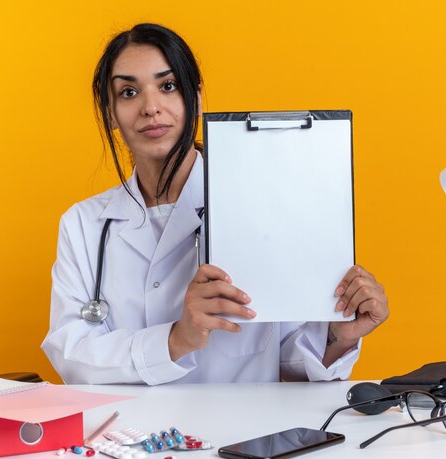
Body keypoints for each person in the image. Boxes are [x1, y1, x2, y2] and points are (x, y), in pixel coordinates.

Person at [41, 23, 389, 385]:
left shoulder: (267, 205)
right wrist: (176, 340)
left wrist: (340, 336)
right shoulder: (84, 225)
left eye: (168, 86)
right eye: (129, 92)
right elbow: (71, 355)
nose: (151, 107)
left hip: (241, 436)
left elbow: (288, 359)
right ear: (111, 112)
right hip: (130, 437)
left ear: (197, 97)